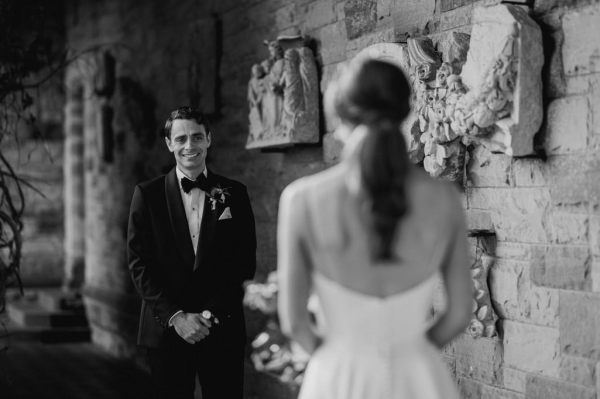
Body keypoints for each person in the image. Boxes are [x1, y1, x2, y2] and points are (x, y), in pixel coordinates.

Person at [277, 59, 472, 399]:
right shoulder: (444, 198)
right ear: (404, 111)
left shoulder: (302, 199)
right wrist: (411, 351)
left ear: (340, 116)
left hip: (337, 377)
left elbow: (295, 323)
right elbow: (457, 315)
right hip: (419, 379)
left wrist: (336, 356)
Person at [127, 106, 256, 399]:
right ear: (169, 143)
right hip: (166, 330)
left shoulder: (234, 193)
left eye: (197, 137)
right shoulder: (147, 195)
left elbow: (243, 262)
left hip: (221, 328)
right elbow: (138, 263)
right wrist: (177, 317)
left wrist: (209, 314)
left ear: (209, 139)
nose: (190, 146)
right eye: (181, 138)